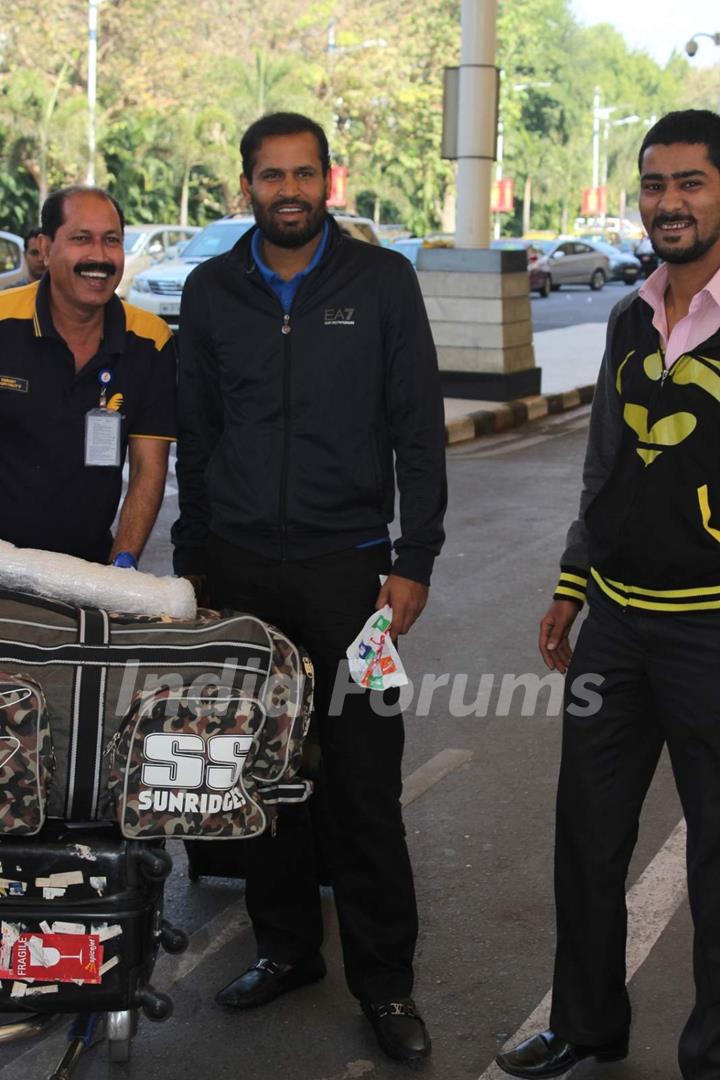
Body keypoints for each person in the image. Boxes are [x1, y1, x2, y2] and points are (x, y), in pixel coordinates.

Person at [172, 111, 447, 1063]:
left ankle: (386, 985)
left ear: (329, 180)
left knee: (364, 784)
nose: (286, 189)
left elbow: (419, 429)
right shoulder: (210, 292)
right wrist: (195, 561)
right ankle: (287, 949)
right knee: (262, 777)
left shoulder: (382, 282)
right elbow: (198, 440)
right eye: (267, 175)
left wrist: (414, 560)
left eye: (302, 173)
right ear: (245, 184)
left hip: (352, 576)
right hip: (244, 574)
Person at [496, 109, 720, 1080]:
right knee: (586, 839)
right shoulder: (631, 314)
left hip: (712, 637)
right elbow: (606, 467)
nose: (667, 202)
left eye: (690, 183)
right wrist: (568, 588)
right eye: (654, 183)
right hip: (618, 628)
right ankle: (587, 1024)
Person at [0, 186, 176, 566]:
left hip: (89, 569)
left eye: (111, 241)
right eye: (82, 239)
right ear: (45, 249)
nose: (98, 256)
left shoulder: (151, 341)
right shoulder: (2, 322)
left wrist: (120, 569)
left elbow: (149, 467)